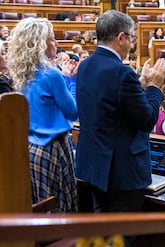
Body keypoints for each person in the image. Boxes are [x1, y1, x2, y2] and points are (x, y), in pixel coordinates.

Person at [75, 10, 165, 246]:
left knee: (103, 235)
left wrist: (141, 84)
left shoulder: (85, 66)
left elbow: (111, 105)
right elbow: (147, 120)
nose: (132, 43)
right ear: (121, 38)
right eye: (132, 38)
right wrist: (154, 87)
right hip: (122, 172)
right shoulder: (121, 72)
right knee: (122, 239)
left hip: (95, 167)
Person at [8, 18, 78, 212]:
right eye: (52, 39)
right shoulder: (51, 74)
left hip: (31, 150)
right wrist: (71, 81)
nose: (56, 44)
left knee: (42, 209)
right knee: (61, 208)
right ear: (39, 43)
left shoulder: (22, 73)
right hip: (54, 149)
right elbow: (73, 112)